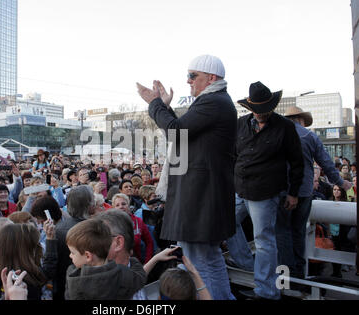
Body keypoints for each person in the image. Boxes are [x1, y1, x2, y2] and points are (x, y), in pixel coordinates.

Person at [137, 54, 236, 300]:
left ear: (211, 78)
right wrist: (166, 107)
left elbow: (176, 131)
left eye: (193, 76)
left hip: (200, 195)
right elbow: (184, 129)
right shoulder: (216, 101)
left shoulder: (213, 101)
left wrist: (155, 103)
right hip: (203, 194)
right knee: (208, 259)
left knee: (198, 262)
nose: (188, 81)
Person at [226, 81, 304, 300]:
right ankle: (249, 267)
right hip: (240, 188)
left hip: (265, 192)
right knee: (227, 224)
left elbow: (297, 162)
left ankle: (266, 291)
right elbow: (232, 156)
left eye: (264, 110)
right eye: (257, 110)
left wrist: (293, 192)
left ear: (272, 107)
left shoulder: (285, 127)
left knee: (263, 240)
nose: (261, 114)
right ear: (250, 108)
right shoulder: (240, 124)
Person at [275, 106, 353, 281]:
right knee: (299, 232)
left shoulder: (278, 134)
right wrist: (342, 183)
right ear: (302, 119)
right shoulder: (309, 136)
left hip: (281, 190)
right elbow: (326, 164)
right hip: (303, 191)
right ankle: (299, 274)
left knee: (281, 232)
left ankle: (286, 277)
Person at [64, 218, 147, 300]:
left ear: (88, 256)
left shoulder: (73, 278)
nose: (70, 256)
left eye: (72, 252)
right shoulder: (121, 274)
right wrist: (133, 260)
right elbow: (140, 277)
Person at [0, 222, 56, 300]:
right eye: (33, 247)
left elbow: (47, 270)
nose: (36, 251)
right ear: (23, 251)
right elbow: (47, 271)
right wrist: (50, 240)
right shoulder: (24, 281)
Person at [53, 185, 95, 300]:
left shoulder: (58, 228)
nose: (95, 202)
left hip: (64, 286)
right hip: (86, 288)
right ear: (88, 203)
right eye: (93, 198)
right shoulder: (92, 230)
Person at [112, 193, 154, 264]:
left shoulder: (138, 221)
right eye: (117, 205)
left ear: (128, 205)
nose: (121, 207)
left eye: (123, 204)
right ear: (114, 208)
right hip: (117, 265)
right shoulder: (110, 223)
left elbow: (149, 242)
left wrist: (147, 262)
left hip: (136, 264)